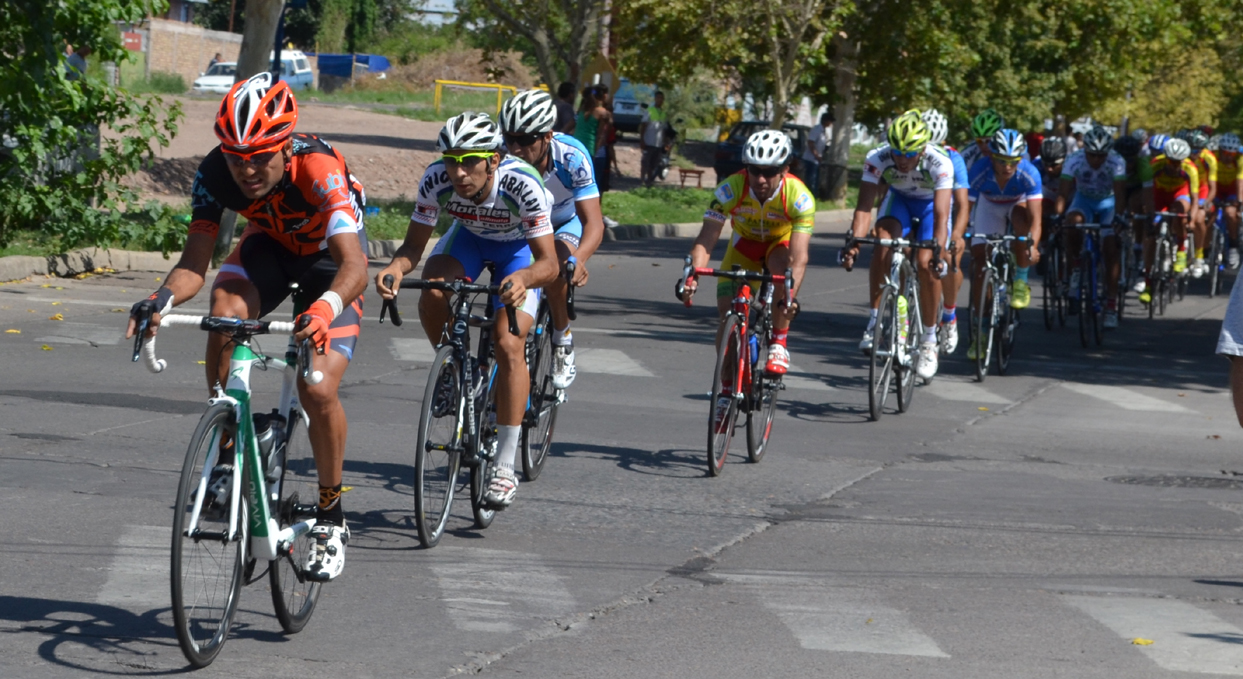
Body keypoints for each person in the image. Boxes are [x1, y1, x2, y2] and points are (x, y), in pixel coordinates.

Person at [125, 73, 367, 582]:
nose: (247, 169)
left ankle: (329, 515)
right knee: (224, 311)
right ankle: (226, 453)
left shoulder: (319, 168)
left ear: (285, 145)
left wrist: (324, 308)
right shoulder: (214, 174)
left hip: (330, 264)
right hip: (272, 250)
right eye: (237, 156)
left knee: (316, 386)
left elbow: (354, 266)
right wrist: (159, 299)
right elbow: (194, 264)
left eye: (260, 155)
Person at [375, 112, 557, 509]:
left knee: (509, 344)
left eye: (469, 160)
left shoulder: (522, 184)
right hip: (470, 241)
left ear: (493, 159)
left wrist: (524, 279)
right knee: (434, 290)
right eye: (450, 160)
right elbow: (412, 250)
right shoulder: (435, 180)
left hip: (519, 252)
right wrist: (394, 267)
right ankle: (457, 371)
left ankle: (505, 465)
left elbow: (549, 264)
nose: (458, 172)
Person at [498, 89, 607, 389]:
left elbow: (594, 224)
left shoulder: (572, 156)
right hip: (524, 223)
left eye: (526, 140)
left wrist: (579, 259)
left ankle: (562, 337)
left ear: (547, 136)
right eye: (510, 139)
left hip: (563, 221)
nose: (516, 148)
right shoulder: (498, 151)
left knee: (557, 267)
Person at [683, 130, 812, 379]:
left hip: (779, 245)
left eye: (770, 171)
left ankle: (778, 344)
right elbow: (706, 238)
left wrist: (790, 296)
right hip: (744, 246)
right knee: (726, 314)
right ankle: (727, 390)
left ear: (785, 169)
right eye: (754, 170)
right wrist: (692, 277)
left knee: (783, 269)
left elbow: (799, 256)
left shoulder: (799, 197)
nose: (761, 179)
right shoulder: (729, 189)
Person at [842, 110, 952, 380]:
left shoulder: (940, 163)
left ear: (923, 149)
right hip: (899, 200)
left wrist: (938, 251)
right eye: (897, 153)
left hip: (929, 207)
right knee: (882, 242)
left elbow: (940, 215)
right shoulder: (877, 158)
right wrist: (854, 244)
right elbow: (864, 208)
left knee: (927, 265)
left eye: (909, 154)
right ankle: (873, 322)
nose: (902, 160)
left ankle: (928, 341)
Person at [964, 129, 1043, 360]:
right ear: (991, 156)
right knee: (980, 263)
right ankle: (980, 329)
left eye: (1013, 162)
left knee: (1021, 225)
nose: (1007, 167)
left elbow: (1036, 220)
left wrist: (1032, 246)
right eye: (1001, 161)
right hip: (989, 206)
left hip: (1016, 204)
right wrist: (959, 237)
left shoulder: (1029, 173)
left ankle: (1020, 280)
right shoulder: (979, 171)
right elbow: (965, 210)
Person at [1056, 126, 1128, 328]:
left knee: (1111, 247)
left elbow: (1120, 195)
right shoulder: (1074, 159)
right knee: (1073, 223)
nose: (1096, 160)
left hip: (1108, 204)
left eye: (1100, 156)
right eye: (1092, 155)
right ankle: (1077, 265)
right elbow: (1063, 192)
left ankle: (1111, 306)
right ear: (1084, 151)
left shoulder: (1117, 161)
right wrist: (1058, 215)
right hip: (1083, 200)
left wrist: (1120, 217)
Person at [923, 108, 969, 354]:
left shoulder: (954, 158)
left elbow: (962, 203)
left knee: (949, 259)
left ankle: (949, 315)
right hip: (915, 208)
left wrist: (957, 236)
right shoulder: (909, 153)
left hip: (943, 212)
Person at [1136, 138, 1198, 305]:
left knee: (1179, 213)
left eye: (1178, 162)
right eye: (1171, 161)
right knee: (1150, 236)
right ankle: (1148, 284)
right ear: (1166, 158)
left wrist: (1191, 218)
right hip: (1158, 195)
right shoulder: (1154, 165)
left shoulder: (1190, 168)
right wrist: (1150, 215)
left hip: (1179, 194)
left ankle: (1181, 251)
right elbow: (1147, 194)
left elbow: (1194, 198)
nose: (1174, 165)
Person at [1187, 128, 1218, 278]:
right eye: (1191, 149)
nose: (1193, 153)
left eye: (1197, 150)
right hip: (1186, 189)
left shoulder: (1209, 159)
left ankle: (1199, 256)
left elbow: (1212, 187)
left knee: (1199, 218)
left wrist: (1206, 202)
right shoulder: (1182, 156)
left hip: (1203, 190)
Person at [1214, 133, 1243, 268]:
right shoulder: (1212, 158)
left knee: (1231, 213)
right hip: (1216, 189)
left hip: (1232, 190)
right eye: (1225, 153)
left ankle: (1233, 246)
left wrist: (1240, 202)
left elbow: (1240, 182)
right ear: (1220, 150)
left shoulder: (1240, 160)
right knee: (1207, 212)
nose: (1228, 157)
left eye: (1231, 154)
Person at [639, 91, 670, 187]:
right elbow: (643, 126)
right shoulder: (650, 110)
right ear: (655, 99)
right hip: (649, 141)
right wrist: (642, 139)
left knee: (653, 163)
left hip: (658, 143)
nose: (659, 100)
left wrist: (665, 142)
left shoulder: (664, 113)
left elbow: (664, 129)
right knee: (645, 162)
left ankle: (649, 181)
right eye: (658, 98)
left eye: (661, 98)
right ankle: (642, 180)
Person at [801, 112, 833, 199]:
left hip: (816, 160)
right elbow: (811, 143)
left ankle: (813, 197)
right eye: (830, 121)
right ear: (826, 121)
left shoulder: (823, 131)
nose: (831, 123)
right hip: (810, 159)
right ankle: (808, 197)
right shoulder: (817, 129)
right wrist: (816, 155)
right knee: (810, 180)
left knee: (815, 180)